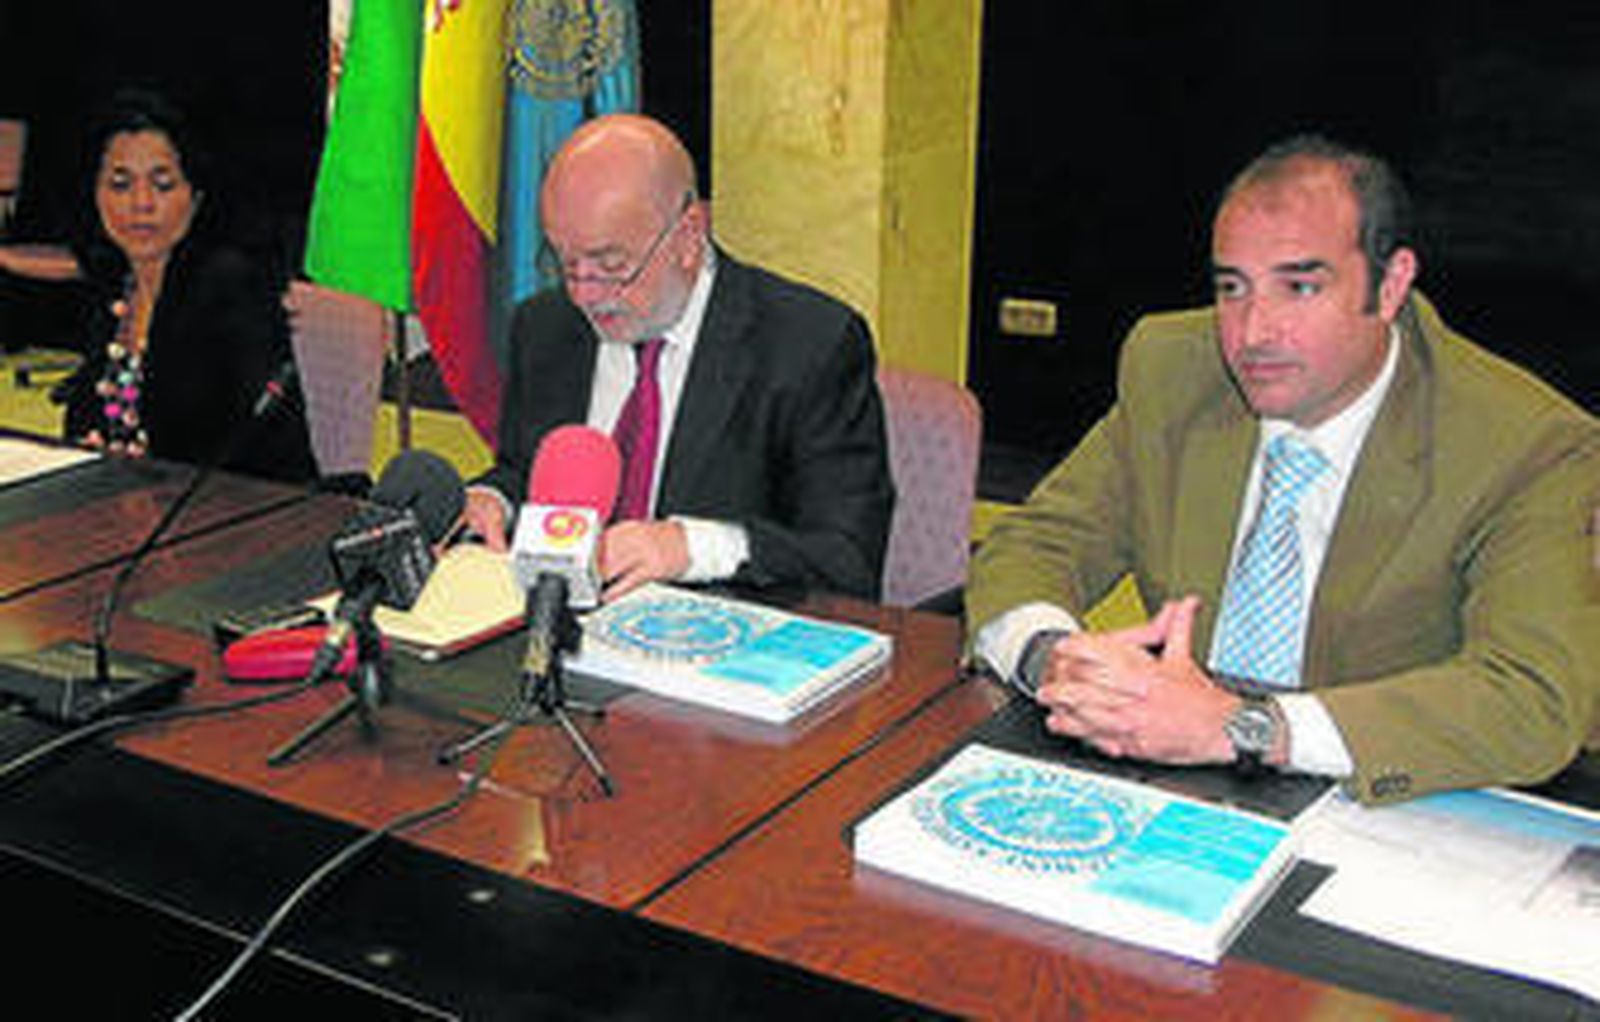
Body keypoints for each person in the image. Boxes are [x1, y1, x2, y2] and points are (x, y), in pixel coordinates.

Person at [967, 134, 1600, 805]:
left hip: (1393, 803)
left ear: (1390, 286)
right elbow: (1036, 543)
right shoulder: (1173, 370)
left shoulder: (1524, 444)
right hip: (1175, 781)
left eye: (1300, 287)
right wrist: (1056, 659)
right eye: (1232, 288)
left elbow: (1532, 695)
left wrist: (1246, 729)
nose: (1254, 332)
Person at [462, 113, 893, 601]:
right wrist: (493, 499)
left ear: (688, 236)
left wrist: (691, 547)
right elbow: (528, 471)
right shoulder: (544, 328)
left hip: (717, 646)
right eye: (564, 262)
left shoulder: (809, 345)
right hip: (557, 635)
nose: (583, 294)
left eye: (611, 265)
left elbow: (848, 559)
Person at [40, 89, 316, 482]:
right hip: (132, 514)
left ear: (196, 194)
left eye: (163, 185)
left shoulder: (229, 285)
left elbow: (238, 450)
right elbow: (82, 417)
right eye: (120, 185)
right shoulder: (117, 287)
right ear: (95, 195)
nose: (141, 203)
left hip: (241, 517)